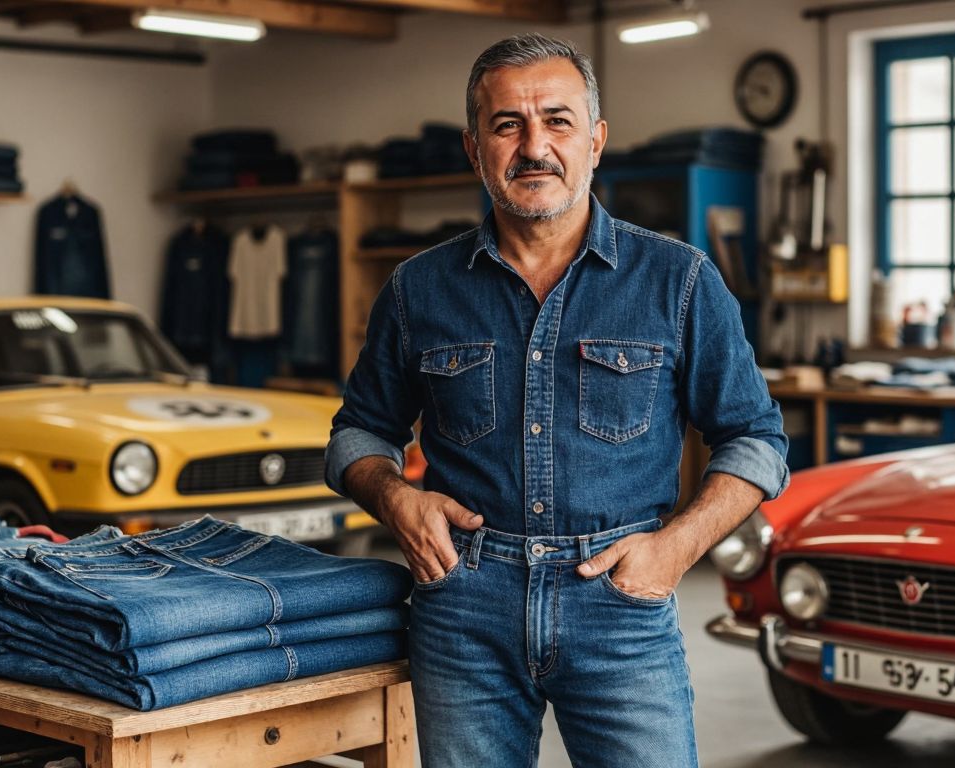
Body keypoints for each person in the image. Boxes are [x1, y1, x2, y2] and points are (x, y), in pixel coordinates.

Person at [325, 33, 788, 768]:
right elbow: (357, 434)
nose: (534, 146)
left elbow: (757, 440)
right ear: (474, 149)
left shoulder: (679, 281)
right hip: (464, 607)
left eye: (557, 122)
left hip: (620, 605)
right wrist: (395, 500)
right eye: (507, 125)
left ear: (595, 141)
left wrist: (675, 549)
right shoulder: (419, 289)